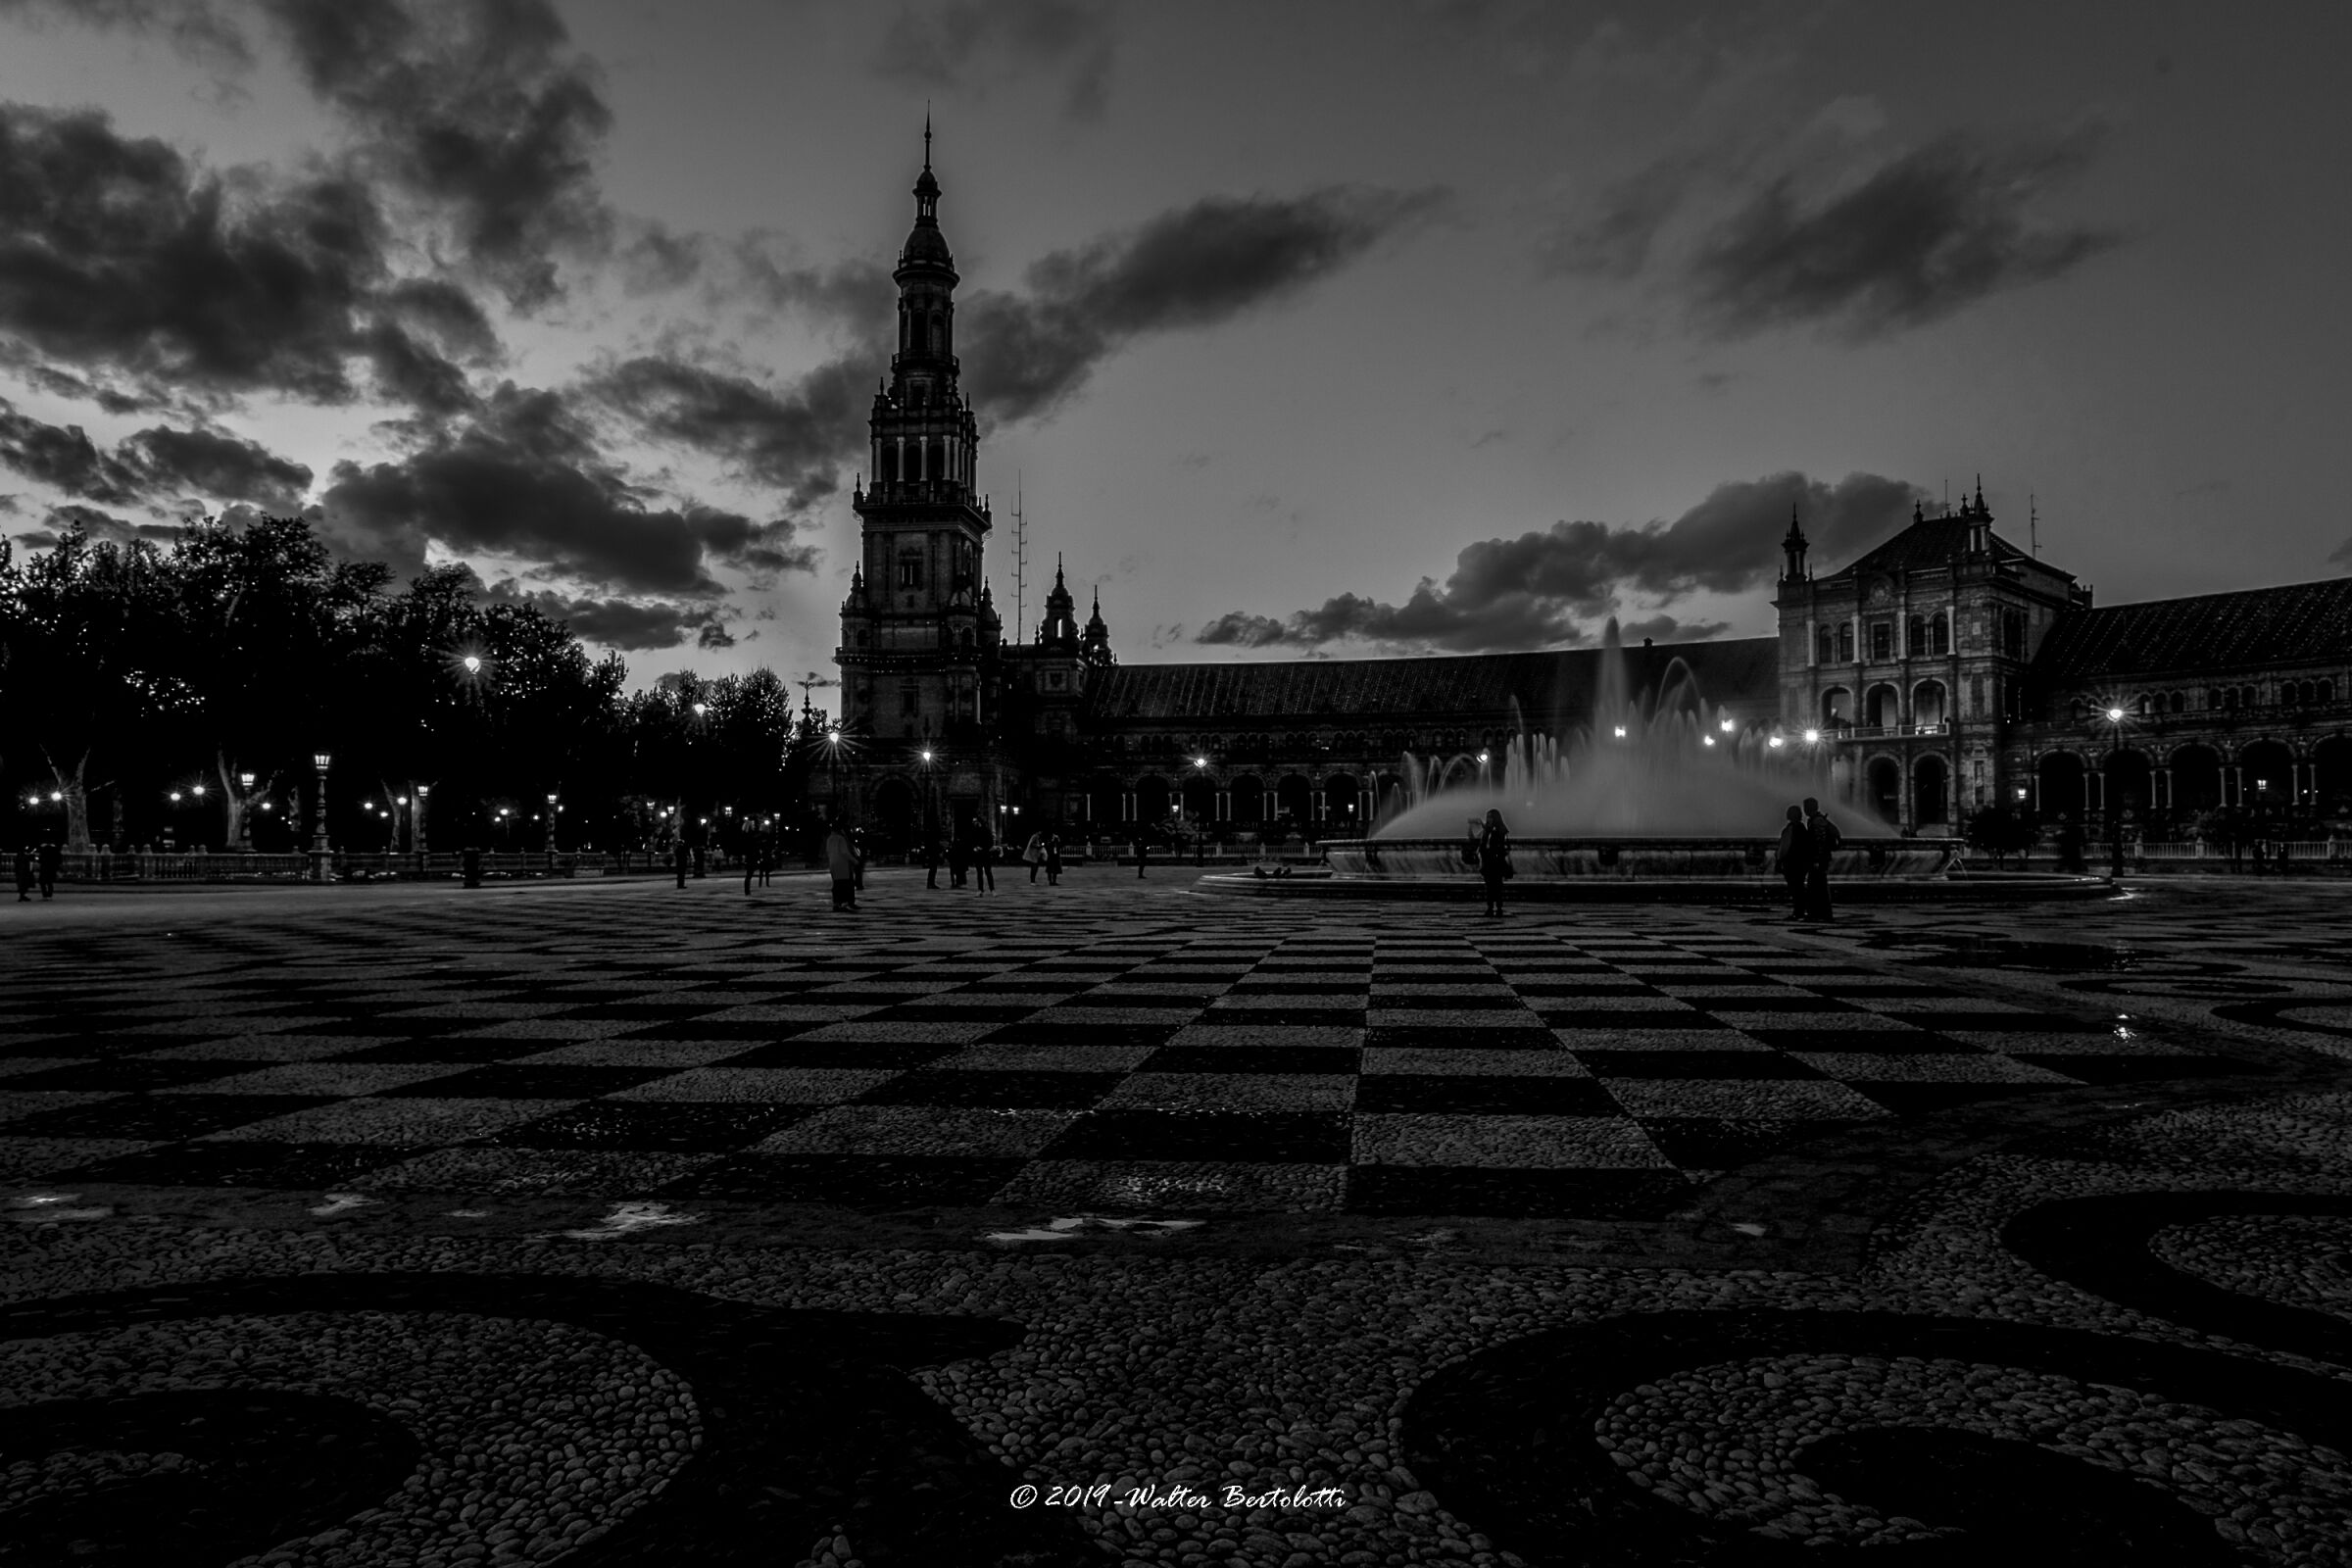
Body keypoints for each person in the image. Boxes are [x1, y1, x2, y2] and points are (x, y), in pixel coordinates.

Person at [1801, 797, 1841, 921]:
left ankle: (1820, 914)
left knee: (1818, 887)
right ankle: (1819, 913)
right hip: (1820, 859)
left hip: (1819, 860)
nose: (1804, 810)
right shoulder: (1817, 820)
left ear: (1809, 808)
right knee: (1817, 886)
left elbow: (1819, 842)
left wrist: (1816, 860)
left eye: (1806, 807)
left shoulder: (1817, 821)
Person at [1776, 804, 1810, 920]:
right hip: (1801, 863)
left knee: (1795, 888)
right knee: (1799, 887)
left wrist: (1779, 860)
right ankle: (1800, 910)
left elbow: (1784, 847)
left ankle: (1798, 911)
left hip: (1792, 863)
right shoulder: (1802, 827)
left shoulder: (1791, 828)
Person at [1476, 808, 1510, 917]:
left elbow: (1502, 845)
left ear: (1495, 818)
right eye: (1487, 817)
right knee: (1489, 886)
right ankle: (1490, 907)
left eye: (1490, 817)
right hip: (1488, 862)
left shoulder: (1501, 829)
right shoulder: (1487, 830)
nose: (1488, 819)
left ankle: (1499, 907)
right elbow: (1483, 844)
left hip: (1497, 862)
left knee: (1498, 886)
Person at [826, 822, 858, 910]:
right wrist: (854, 861)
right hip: (842, 864)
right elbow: (844, 852)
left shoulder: (829, 839)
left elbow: (828, 851)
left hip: (833, 863)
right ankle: (843, 903)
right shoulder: (840, 838)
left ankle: (836, 903)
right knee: (844, 884)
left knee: (836, 885)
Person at [970, 819, 996, 892]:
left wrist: (983, 848)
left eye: (976, 822)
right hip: (978, 854)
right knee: (979, 873)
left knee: (988, 872)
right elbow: (972, 841)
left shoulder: (986, 831)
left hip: (985, 854)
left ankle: (992, 889)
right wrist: (975, 847)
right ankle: (980, 889)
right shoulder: (974, 831)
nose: (974, 823)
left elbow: (990, 842)